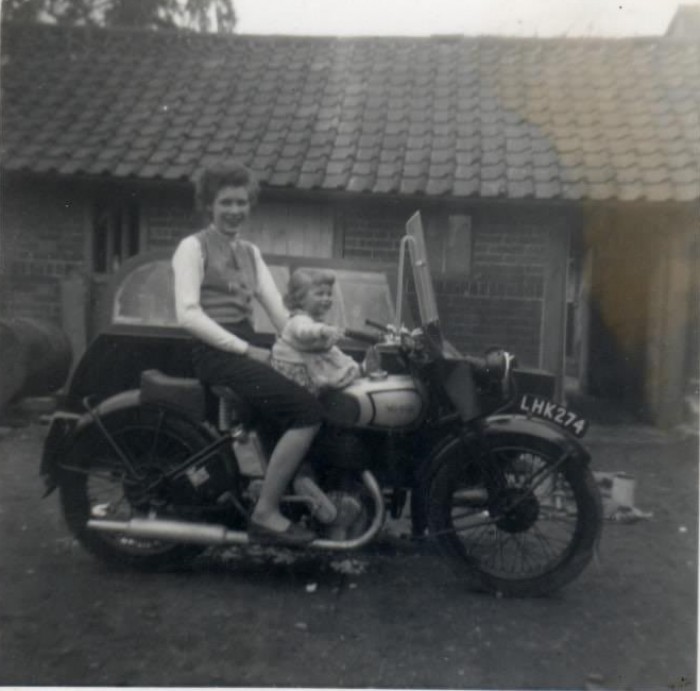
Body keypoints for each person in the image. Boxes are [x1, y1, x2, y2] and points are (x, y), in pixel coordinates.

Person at [171, 162, 322, 545]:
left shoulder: (251, 253)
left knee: (313, 393)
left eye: (242, 202)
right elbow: (188, 314)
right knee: (306, 412)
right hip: (216, 353)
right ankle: (266, 513)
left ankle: (302, 489)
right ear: (209, 205)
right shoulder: (192, 247)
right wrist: (245, 350)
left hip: (245, 346)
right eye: (226, 202)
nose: (235, 210)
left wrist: (316, 335)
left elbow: (281, 316)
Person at [271, 269, 362, 395]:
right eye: (320, 294)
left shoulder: (315, 320)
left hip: (309, 362)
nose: (326, 298)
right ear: (300, 299)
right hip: (295, 368)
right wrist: (322, 330)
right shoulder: (298, 319)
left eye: (329, 294)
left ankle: (355, 369)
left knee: (335, 355)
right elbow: (303, 331)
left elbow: (328, 349)